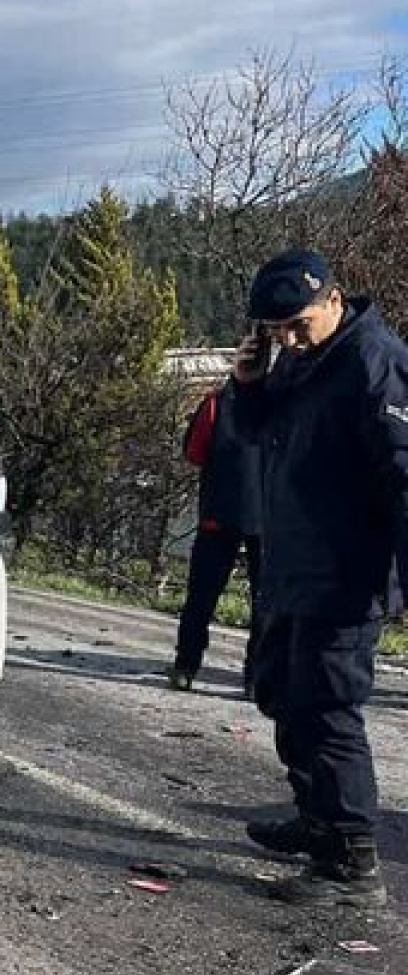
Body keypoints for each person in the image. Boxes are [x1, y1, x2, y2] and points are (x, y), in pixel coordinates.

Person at [231, 249, 408, 907]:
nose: (289, 338)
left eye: (299, 324)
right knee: (280, 692)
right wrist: (249, 382)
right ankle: (317, 819)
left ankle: (353, 859)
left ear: (334, 299)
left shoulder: (374, 364)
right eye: (277, 329)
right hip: (291, 566)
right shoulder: (298, 361)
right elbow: (255, 435)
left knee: (329, 710)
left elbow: (404, 479)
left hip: (345, 574)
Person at [166, 379, 261, 693]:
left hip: (218, 514)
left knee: (200, 598)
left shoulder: (217, 404)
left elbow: (194, 452)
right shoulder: (288, 404)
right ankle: (256, 677)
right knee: (266, 603)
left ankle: (185, 666)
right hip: (269, 520)